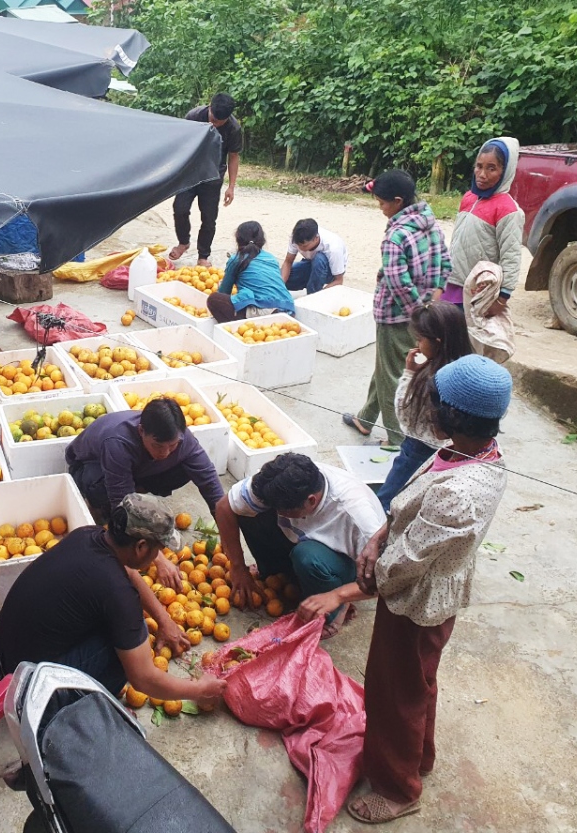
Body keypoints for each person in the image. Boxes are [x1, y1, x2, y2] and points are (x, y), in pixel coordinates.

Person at [298, 355, 512, 823]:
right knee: (417, 684)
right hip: (419, 589)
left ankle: (399, 787)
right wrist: (379, 534)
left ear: (454, 414)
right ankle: (419, 756)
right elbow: (407, 514)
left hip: (418, 602)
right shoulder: (465, 449)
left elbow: (408, 564)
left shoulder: (461, 493)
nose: (428, 408)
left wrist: (352, 589)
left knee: (394, 692)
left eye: (434, 401)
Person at [0, 493, 228, 708]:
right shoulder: (118, 594)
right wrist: (199, 690)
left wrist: (165, 620)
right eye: (158, 551)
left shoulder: (87, 535)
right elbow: (143, 678)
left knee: (119, 626)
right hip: (28, 692)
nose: (158, 557)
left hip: (5, 660)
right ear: (141, 546)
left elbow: (129, 572)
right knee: (130, 643)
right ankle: (80, 711)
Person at [214, 452, 385, 638]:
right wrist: (238, 567)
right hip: (299, 537)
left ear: (311, 501)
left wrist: (338, 596)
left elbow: (388, 580)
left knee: (307, 557)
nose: (279, 512)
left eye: (285, 510)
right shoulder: (278, 482)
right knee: (251, 511)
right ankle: (279, 575)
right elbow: (225, 507)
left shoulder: (357, 519)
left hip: (344, 561)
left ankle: (334, 610)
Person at [65, 398, 225, 590]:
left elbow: (210, 483)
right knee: (105, 495)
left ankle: (137, 491)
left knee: (186, 467)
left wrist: (229, 538)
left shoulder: (181, 439)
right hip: (89, 468)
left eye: (172, 446)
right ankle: (98, 504)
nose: (165, 452)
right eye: (158, 446)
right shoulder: (118, 442)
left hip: (137, 468)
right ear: (141, 431)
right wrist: (159, 559)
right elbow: (123, 504)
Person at [344, 170, 451, 444]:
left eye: (382, 203)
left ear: (398, 201)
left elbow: (397, 282)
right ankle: (366, 417)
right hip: (423, 313)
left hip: (397, 316)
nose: (380, 208)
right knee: (386, 364)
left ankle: (397, 438)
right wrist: (432, 301)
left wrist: (416, 312)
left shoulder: (396, 237)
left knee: (394, 375)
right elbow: (445, 263)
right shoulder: (431, 225)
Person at [375, 301, 473, 512]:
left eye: (420, 339)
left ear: (437, 342)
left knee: (387, 499)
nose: (417, 345)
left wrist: (409, 374)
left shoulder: (430, 380)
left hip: (418, 447)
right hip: (451, 451)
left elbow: (404, 417)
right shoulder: (466, 370)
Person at [441, 137, 524, 319]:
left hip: (476, 293)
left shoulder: (509, 210)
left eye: (491, 168)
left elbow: (511, 257)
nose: (482, 174)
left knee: (467, 344)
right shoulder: (469, 198)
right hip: (451, 285)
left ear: (506, 171)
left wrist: (501, 299)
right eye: (479, 166)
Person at [169, 93, 243, 266]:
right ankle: (183, 242)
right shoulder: (194, 116)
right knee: (179, 208)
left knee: (209, 218)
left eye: (218, 122)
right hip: (189, 174)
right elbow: (180, 144)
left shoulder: (233, 128)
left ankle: (203, 255)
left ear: (227, 118)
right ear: (209, 107)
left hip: (212, 177)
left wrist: (231, 187)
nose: (213, 124)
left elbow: (233, 156)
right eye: (212, 118)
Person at [205, 220, 296, 323]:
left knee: (214, 300)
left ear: (238, 241)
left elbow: (224, 291)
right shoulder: (271, 258)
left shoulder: (236, 259)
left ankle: (236, 329)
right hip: (288, 308)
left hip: (264, 310)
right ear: (262, 241)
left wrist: (221, 285)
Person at [281, 217, 348, 294]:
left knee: (319, 259)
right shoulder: (296, 237)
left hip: (330, 272)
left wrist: (317, 296)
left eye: (304, 246)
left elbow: (339, 280)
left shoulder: (333, 247)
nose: (300, 248)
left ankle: (312, 294)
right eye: (298, 245)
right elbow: (288, 262)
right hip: (310, 263)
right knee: (276, 278)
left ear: (316, 238)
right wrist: (280, 285)